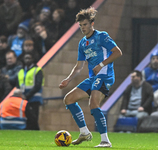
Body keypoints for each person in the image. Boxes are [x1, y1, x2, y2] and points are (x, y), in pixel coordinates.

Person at [59, 7, 122, 148]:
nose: (83, 28)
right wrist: (68, 79)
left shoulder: (102, 36)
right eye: (80, 25)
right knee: (69, 99)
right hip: (93, 78)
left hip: (105, 75)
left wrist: (101, 64)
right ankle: (84, 133)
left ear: (92, 23)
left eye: (85, 24)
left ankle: (105, 141)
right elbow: (79, 66)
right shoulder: (82, 43)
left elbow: (118, 52)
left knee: (94, 103)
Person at [16, 52, 44, 130]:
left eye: (29, 58)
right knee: (26, 118)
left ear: (33, 59)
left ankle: (36, 131)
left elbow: (37, 85)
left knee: (34, 118)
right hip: (23, 99)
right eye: (26, 58)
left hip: (34, 98)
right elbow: (18, 85)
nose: (27, 60)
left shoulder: (37, 70)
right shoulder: (21, 71)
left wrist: (27, 95)